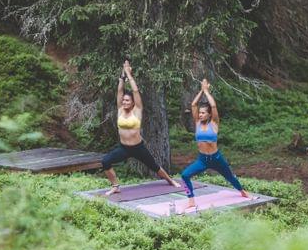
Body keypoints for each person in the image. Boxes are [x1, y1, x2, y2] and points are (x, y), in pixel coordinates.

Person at [102, 60, 181, 195]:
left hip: (138, 147)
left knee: (154, 166)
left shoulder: (137, 110)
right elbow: (119, 90)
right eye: (124, 100)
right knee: (105, 162)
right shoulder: (120, 110)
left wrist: (129, 75)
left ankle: (170, 180)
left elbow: (135, 90)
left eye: (127, 100)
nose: (124, 102)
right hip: (124, 148)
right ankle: (115, 186)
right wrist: (123, 75)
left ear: (133, 102)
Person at [181, 79, 251, 208]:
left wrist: (207, 92)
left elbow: (213, 106)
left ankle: (242, 191)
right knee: (185, 175)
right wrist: (201, 90)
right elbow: (193, 104)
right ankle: (191, 200)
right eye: (200, 113)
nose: (200, 115)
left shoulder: (214, 124)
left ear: (209, 115)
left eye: (203, 113)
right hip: (202, 160)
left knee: (230, 177)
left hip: (216, 158)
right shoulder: (197, 123)